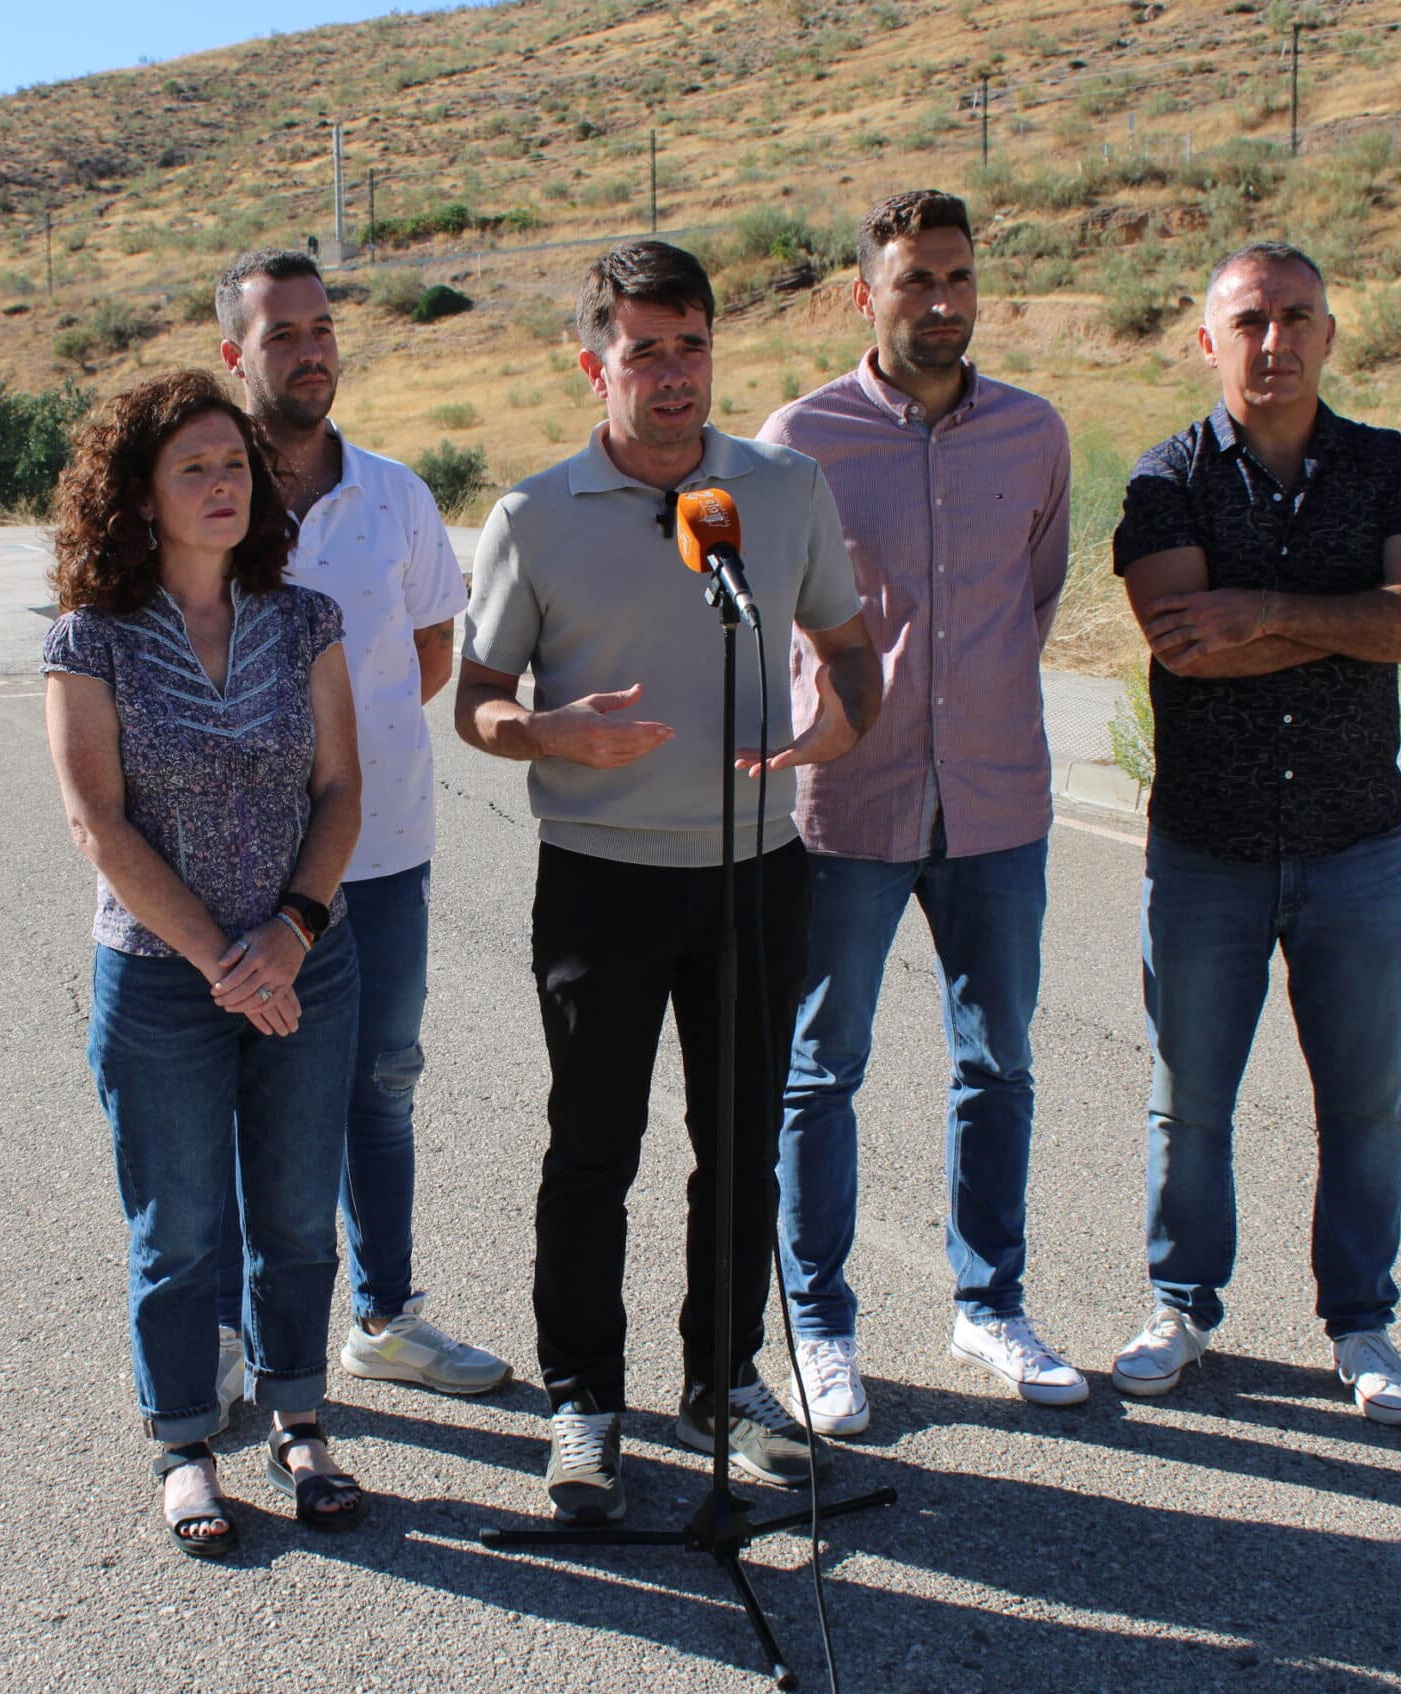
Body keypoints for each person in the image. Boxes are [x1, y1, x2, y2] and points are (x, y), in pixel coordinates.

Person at [455, 241, 883, 1523]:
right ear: (594, 364)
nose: (674, 373)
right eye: (643, 350)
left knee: (740, 1148)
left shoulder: (782, 489)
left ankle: (722, 1382)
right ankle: (584, 1400)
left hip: (756, 871)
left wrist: (840, 726)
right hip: (601, 881)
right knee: (594, 1150)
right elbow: (477, 700)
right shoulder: (533, 516)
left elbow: (847, 648)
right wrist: (544, 730)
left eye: (691, 345)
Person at [1107, 241, 1401, 1426]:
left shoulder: (1389, 468)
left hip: (1354, 842)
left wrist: (1259, 609)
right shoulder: (1166, 480)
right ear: (1207, 341)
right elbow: (1184, 646)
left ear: (1329, 334)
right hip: (1204, 849)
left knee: (1366, 1107)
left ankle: (1360, 1323)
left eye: (1297, 316)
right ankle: (1180, 1306)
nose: (1275, 341)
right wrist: (1358, 620)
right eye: (1250, 321)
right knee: (1189, 1102)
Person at [760, 189, 1081, 1431]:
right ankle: (819, 1328)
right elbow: (768, 617)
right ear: (865, 294)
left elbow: (1032, 596)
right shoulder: (800, 441)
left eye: (956, 278)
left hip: (997, 799)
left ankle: (989, 1305)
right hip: (848, 804)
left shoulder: (1034, 433)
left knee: (997, 1064)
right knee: (818, 1069)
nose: (940, 302)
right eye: (913, 280)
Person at [41, 371, 370, 1559]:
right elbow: (98, 823)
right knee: (178, 1228)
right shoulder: (90, 639)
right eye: (192, 467)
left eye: (234, 464)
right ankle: (185, 1443)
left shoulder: (305, 619)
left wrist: (290, 933)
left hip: (304, 965)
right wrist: (226, 961)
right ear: (138, 494)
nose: (222, 484)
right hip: (160, 982)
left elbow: (342, 790)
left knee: (296, 1215)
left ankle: (299, 1424)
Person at [206, 249, 510, 1410]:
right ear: (234, 354)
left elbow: (429, 652)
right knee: (243, 1097)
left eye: (322, 327)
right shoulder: (202, 491)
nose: (310, 351)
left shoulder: (392, 495)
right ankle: (233, 1336)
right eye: (280, 334)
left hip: (381, 850)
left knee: (380, 1083)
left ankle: (386, 1318)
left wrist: (343, 757)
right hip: (235, 863)